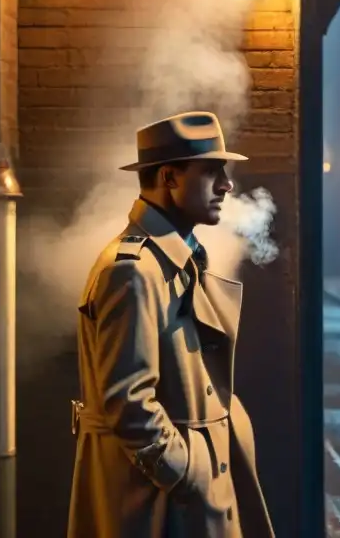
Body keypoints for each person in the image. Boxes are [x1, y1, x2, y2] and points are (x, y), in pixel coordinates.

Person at [67, 111, 274, 538]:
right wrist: (186, 472)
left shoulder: (173, 258)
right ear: (170, 178)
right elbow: (129, 403)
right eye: (212, 172)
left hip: (185, 498)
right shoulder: (134, 271)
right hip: (163, 508)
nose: (227, 185)